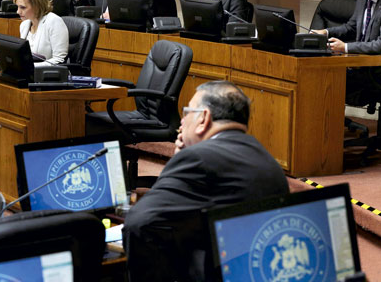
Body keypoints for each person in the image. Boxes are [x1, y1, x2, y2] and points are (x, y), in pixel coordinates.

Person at [122, 81, 289, 282]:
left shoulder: (198, 158)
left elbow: (139, 223)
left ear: (203, 118)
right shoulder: (266, 158)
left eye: (186, 113)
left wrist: (178, 160)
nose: (181, 123)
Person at [14, 0, 69, 66]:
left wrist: (30, 67)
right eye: (17, 7)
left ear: (37, 6)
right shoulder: (24, 25)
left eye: (23, 7)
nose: (18, 11)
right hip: (29, 74)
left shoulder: (54, 21)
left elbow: (59, 60)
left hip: (48, 75)